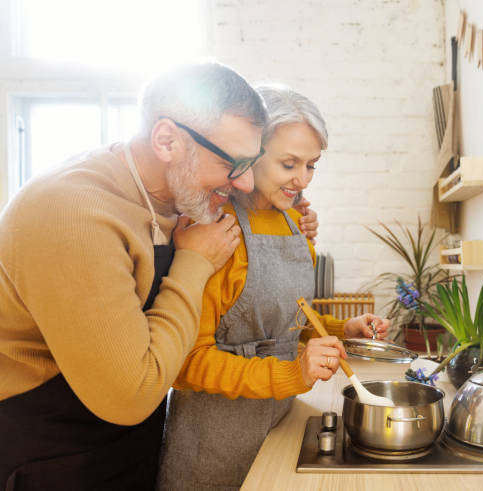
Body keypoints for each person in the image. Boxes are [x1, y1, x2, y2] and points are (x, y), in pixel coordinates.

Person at [0, 61, 319, 490]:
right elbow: (130, 395)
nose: (244, 184)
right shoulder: (72, 213)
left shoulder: (173, 196)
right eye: (233, 164)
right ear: (166, 140)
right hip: (53, 455)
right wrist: (194, 263)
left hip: (132, 444)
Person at [157, 85, 390, 490]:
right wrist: (291, 372)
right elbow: (186, 363)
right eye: (289, 164)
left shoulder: (294, 223)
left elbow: (285, 321)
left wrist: (340, 332)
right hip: (213, 446)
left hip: (280, 426)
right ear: (250, 152)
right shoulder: (214, 232)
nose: (302, 180)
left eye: (312, 165)